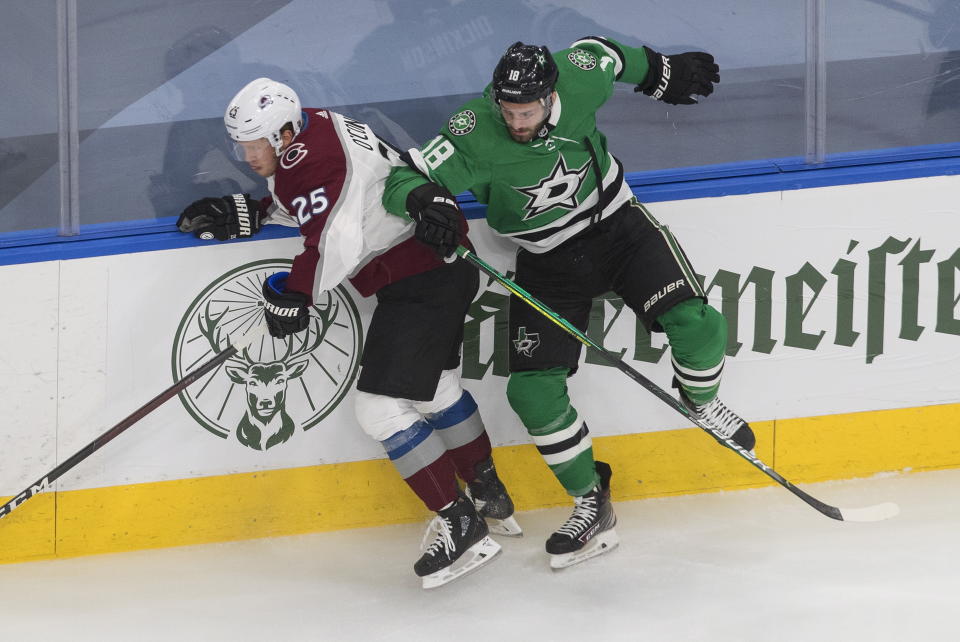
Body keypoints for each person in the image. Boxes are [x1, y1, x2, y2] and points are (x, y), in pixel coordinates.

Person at [382, 38, 755, 570]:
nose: (515, 120)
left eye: (526, 111)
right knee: (531, 394)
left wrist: (659, 72)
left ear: (552, 95)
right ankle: (590, 502)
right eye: (507, 110)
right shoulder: (473, 130)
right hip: (548, 260)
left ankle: (701, 400)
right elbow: (403, 177)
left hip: (620, 231)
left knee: (695, 322)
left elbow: (605, 51)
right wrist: (425, 200)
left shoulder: (578, 78)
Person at [175, 77, 520, 589]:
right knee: (439, 387)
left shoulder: (307, 160)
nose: (247, 156)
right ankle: (489, 491)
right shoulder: (312, 128)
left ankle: (460, 521)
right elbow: (334, 201)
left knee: (379, 409)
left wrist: (296, 294)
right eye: (241, 146)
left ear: (284, 133)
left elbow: (333, 237)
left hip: (419, 281)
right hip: (437, 271)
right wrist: (251, 212)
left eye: (254, 146)